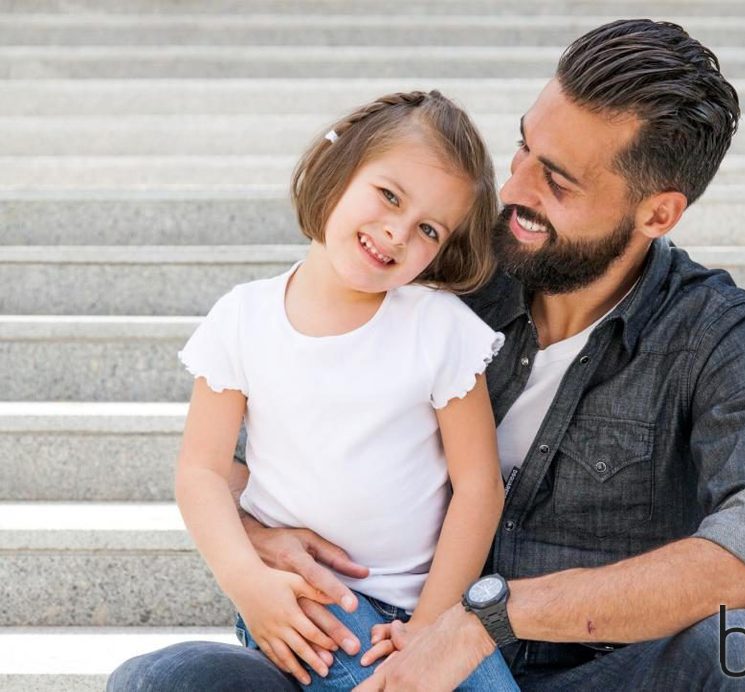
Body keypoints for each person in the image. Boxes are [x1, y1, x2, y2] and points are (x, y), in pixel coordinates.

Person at [109, 19, 745, 691]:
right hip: (378, 645)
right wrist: (262, 540)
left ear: (657, 213)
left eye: (558, 180)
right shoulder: (453, 263)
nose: (513, 189)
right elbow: (236, 451)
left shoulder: (717, 333)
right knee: (165, 679)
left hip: (591, 672)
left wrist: (491, 617)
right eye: (523, 148)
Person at [154, 90, 520, 691]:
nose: (396, 233)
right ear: (339, 166)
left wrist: (430, 627)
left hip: (427, 609)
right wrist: (250, 585)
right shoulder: (242, 318)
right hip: (309, 597)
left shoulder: (440, 326)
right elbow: (201, 472)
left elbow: (479, 488)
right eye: (388, 196)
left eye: (427, 229)